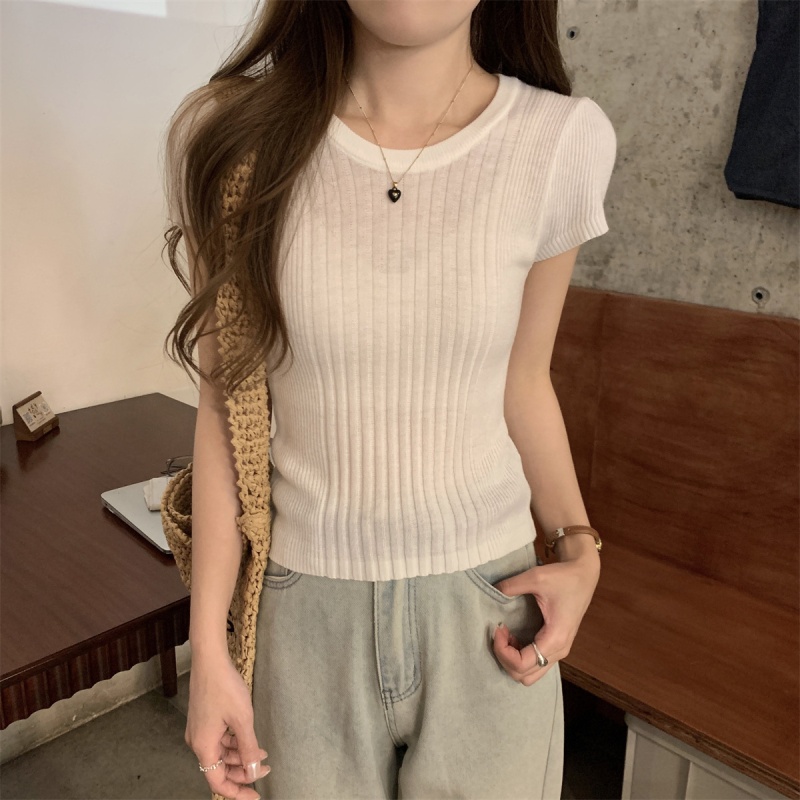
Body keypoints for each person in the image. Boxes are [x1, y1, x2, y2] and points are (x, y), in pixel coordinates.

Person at [163, 1, 616, 798]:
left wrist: (581, 551)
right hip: (303, 619)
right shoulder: (231, 139)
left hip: (492, 611)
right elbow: (225, 412)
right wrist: (210, 654)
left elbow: (524, 380)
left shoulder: (559, 140)